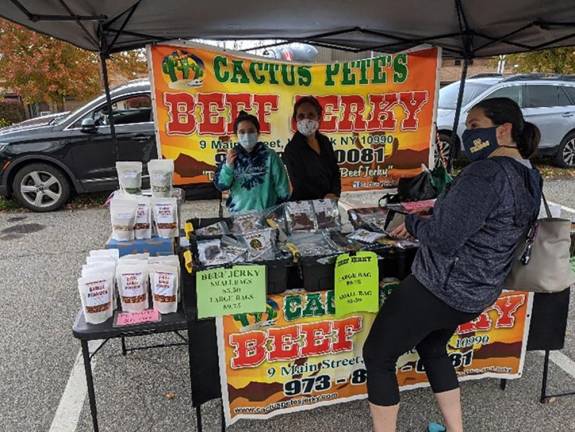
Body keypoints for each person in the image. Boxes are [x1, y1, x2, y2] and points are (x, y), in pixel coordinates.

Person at [363, 97, 542, 432]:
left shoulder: (485, 172)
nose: (467, 133)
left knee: (378, 355)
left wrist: (412, 221)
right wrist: (439, 214)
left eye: (475, 125)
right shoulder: (529, 174)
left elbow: (444, 239)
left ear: (503, 130)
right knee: (432, 347)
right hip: (478, 292)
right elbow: (487, 222)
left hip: (439, 288)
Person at [214, 111, 290, 213]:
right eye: (242, 132)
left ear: (258, 133)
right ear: (236, 135)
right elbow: (221, 185)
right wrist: (228, 167)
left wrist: (279, 212)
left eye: (251, 131)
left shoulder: (270, 156)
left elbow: (283, 188)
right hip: (240, 216)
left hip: (268, 216)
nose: (247, 135)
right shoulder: (232, 156)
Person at [283, 96, 341, 200]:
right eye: (301, 116)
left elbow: (335, 170)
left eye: (311, 115)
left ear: (318, 117)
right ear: (295, 120)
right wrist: (323, 199)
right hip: (306, 206)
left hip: (330, 202)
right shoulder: (291, 149)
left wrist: (334, 193)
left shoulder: (325, 142)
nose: (306, 119)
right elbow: (300, 183)